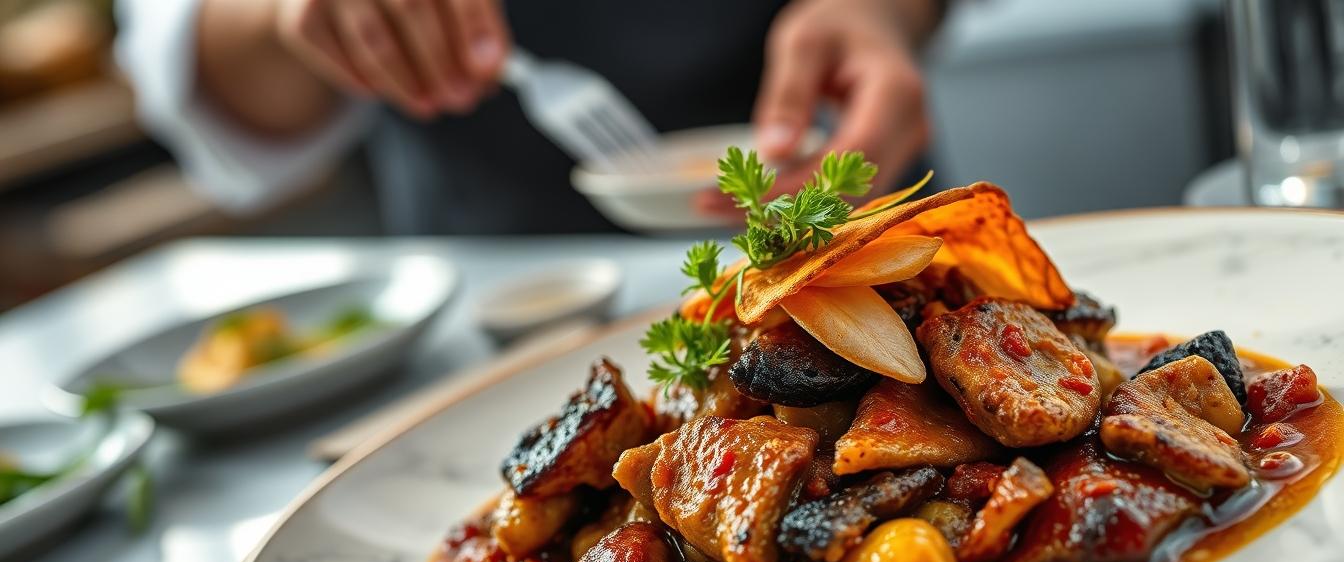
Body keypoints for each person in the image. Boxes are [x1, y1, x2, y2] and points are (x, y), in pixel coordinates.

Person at [116, 0, 944, 234]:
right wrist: (278, 15)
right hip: (501, 273)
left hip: (859, 218)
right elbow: (181, 50)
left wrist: (879, 11)